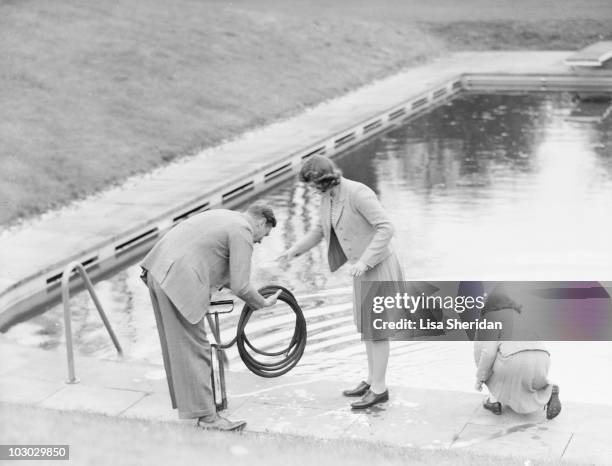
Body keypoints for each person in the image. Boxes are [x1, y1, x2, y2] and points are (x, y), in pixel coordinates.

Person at [141, 201, 281, 431]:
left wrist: (245, 291)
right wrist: (262, 303)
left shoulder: (224, 216)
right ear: (261, 222)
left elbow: (219, 266)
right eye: (262, 236)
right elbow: (241, 285)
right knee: (197, 349)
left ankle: (196, 411)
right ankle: (209, 419)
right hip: (179, 279)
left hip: (158, 270)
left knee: (179, 347)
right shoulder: (243, 230)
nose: (258, 241)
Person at [278, 155, 404, 409]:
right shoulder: (328, 197)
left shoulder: (359, 193)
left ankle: (380, 389)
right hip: (362, 270)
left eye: (314, 186)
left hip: (377, 266)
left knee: (377, 330)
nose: (313, 191)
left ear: (324, 180)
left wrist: (365, 262)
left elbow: (386, 228)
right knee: (366, 327)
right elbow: (319, 230)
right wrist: (294, 251)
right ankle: (371, 380)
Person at [473, 288, 561, 420]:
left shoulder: (491, 317)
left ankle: (493, 401)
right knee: (527, 379)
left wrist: (480, 378)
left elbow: (488, 353)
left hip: (516, 361)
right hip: (543, 360)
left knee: (486, 357)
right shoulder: (522, 316)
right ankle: (549, 389)